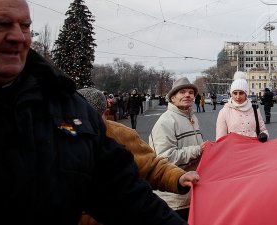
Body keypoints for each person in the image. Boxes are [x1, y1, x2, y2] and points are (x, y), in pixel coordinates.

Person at [0, 0, 184, 224]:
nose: (18, 36)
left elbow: (127, 197)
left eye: (25, 26)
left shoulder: (68, 107)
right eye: (1, 24)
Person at [77, 87, 200, 225]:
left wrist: (177, 177)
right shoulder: (58, 139)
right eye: (182, 92)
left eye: (90, 119)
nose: (83, 126)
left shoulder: (123, 135)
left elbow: (151, 165)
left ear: (106, 114)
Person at [150, 77, 210, 221]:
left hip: (191, 193)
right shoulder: (166, 121)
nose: (187, 95)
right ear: (173, 98)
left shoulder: (193, 118)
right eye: (182, 92)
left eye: (190, 92)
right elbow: (164, 159)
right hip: (173, 199)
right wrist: (197, 150)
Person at [215, 71, 268, 142]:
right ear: (231, 94)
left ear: (246, 94)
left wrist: (264, 135)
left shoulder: (254, 109)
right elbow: (220, 139)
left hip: (253, 149)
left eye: (241, 93)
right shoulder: (224, 112)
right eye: (235, 93)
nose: (238, 96)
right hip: (234, 151)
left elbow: (263, 129)